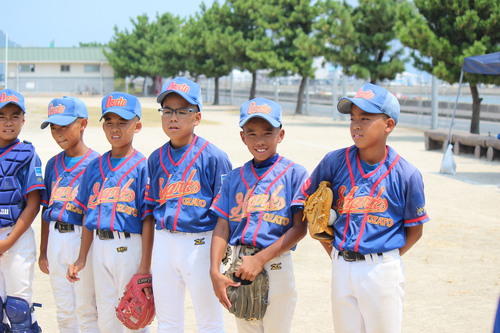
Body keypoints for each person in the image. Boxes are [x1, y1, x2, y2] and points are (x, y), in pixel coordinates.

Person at [301, 83, 430, 333]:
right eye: (352, 118)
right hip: (341, 264)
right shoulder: (334, 161)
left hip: (381, 270)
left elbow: (415, 230)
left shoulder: (407, 174)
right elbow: (309, 205)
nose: (356, 125)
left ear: (389, 125)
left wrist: (383, 259)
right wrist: (332, 249)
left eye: (365, 118)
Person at [210, 97, 309, 333]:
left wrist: (260, 259)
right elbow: (222, 226)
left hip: (276, 265)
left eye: (268, 132)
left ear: (281, 135)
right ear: (243, 137)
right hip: (241, 264)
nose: (260, 140)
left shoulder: (295, 173)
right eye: (252, 133)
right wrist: (215, 271)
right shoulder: (235, 177)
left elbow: (299, 228)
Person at [146, 77, 232, 332]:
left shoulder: (214, 157)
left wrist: (220, 258)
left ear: (197, 118)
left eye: (183, 111)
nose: (173, 117)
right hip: (163, 242)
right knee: (168, 320)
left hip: (200, 242)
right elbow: (151, 210)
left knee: (208, 319)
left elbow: (225, 215)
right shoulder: (155, 158)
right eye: (168, 111)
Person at [67, 92, 154, 333]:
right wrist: (82, 257)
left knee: (135, 316)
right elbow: (86, 214)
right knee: (107, 317)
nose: (115, 128)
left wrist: (145, 267)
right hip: (100, 247)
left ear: (137, 126)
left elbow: (148, 219)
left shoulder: (143, 166)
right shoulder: (94, 166)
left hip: (130, 246)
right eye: (109, 122)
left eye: (122, 122)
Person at [38, 96, 100, 332]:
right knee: (64, 311)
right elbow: (46, 208)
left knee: (86, 310)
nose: (58, 132)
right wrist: (43, 251)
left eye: (64, 126)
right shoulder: (52, 163)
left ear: (83, 124)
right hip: (56, 238)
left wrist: (83, 255)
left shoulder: (96, 163)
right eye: (53, 127)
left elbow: (92, 214)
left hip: (81, 238)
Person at [0, 89, 45, 332]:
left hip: (16, 236)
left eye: (14, 116)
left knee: (18, 309)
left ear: (23, 120)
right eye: (2, 116)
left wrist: (8, 242)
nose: (8, 122)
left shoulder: (27, 154)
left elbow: (34, 203)